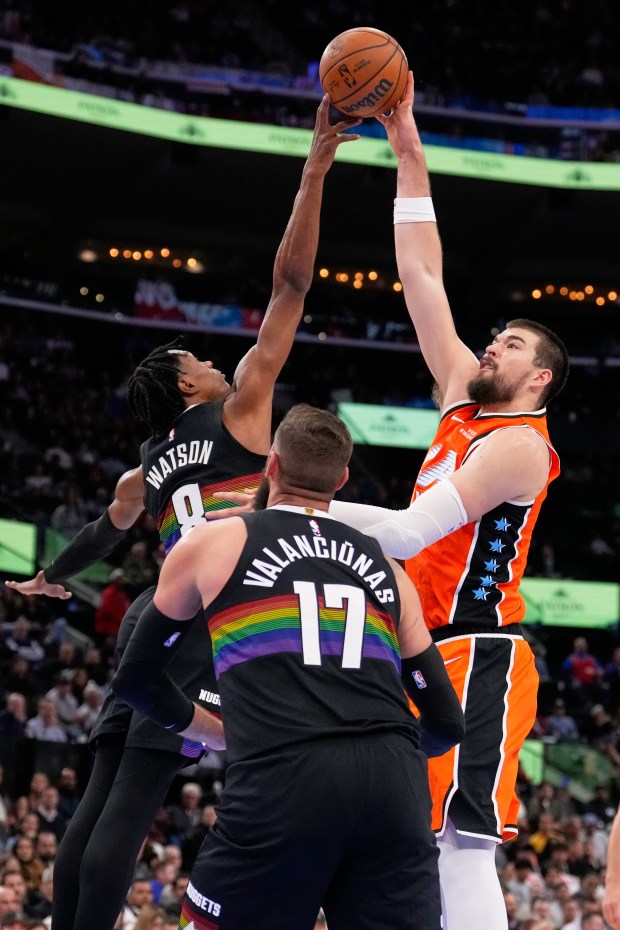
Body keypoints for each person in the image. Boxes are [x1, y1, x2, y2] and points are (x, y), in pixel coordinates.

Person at [5, 96, 362, 930]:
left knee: (97, 798)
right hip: (210, 611)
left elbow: (110, 525)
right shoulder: (240, 411)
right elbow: (291, 283)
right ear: (189, 384)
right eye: (198, 357)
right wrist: (314, 169)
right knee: (132, 805)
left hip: (150, 622)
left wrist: (54, 577)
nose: (211, 357)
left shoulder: (151, 463)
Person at [294, 73, 568, 930]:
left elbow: (415, 529)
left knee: (464, 839)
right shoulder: (461, 395)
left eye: (511, 345)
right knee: (398, 833)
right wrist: (405, 139)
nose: (492, 345)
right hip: (412, 644)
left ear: (540, 379)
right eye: (495, 337)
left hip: (479, 649)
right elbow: (420, 271)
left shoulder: (521, 445)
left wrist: (296, 512)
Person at [112, 404, 465, 930]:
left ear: (270, 466)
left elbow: (136, 680)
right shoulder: (388, 568)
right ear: (342, 480)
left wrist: (214, 732)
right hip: (395, 786)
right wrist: (391, 748)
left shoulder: (214, 540)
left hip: (284, 776)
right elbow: (447, 723)